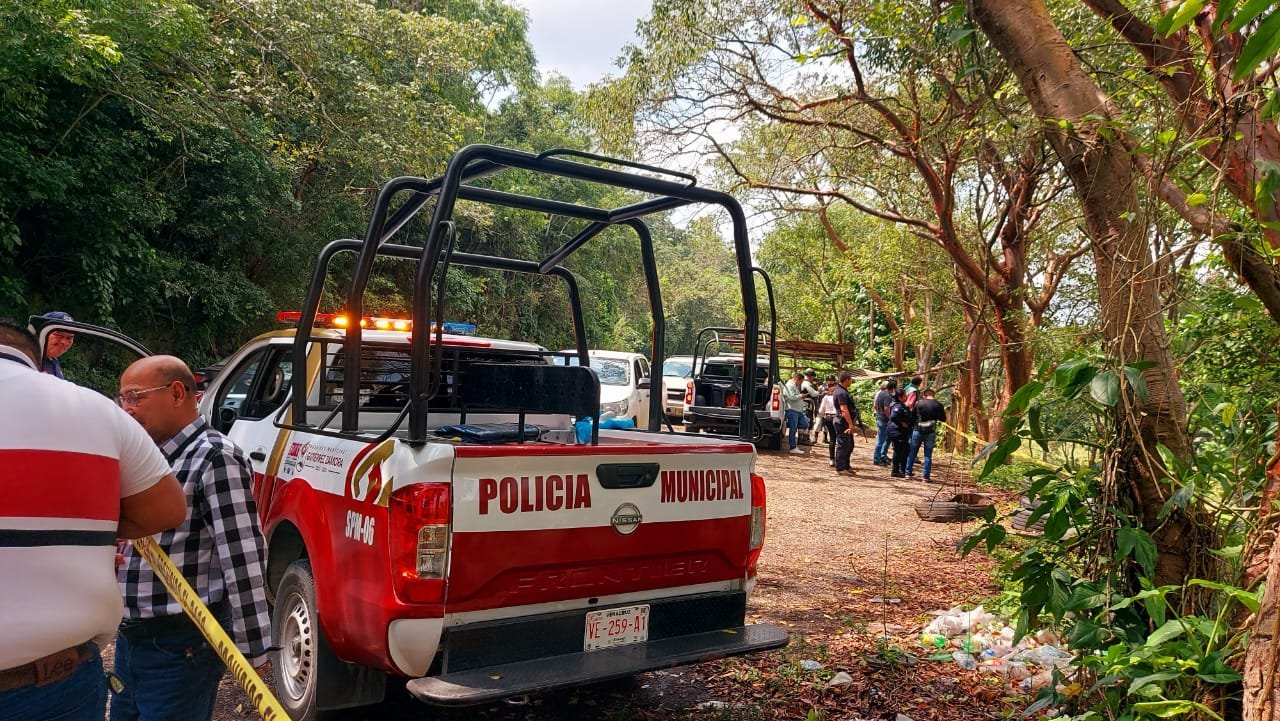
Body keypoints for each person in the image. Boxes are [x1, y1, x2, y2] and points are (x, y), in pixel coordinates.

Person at [0, 321, 186, 721]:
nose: (128, 406)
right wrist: (83, 538)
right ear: (35, 356)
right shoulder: (92, 407)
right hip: (51, 684)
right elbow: (167, 510)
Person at [112, 356, 272, 721]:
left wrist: (253, 650)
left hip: (180, 645)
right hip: (130, 639)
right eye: (122, 399)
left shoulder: (215, 457)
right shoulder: (146, 457)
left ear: (178, 392)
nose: (127, 409)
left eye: (135, 397)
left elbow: (242, 555)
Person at [906, 388, 946, 482]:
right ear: (933, 394)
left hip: (918, 430)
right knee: (928, 455)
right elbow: (943, 419)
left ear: (924, 395)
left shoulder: (918, 403)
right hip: (930, 431)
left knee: (912, 452)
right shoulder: (938, 404)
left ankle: (908, 473)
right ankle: (925, 477)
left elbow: (912, 416)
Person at [832, 371, 857, 475]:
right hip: (843, 422)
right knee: (843, 445)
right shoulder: (841, 392)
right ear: (847, 380)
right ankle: (841, 468)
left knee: (849, 444)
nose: (851, 381)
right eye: (850, 379)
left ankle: (846, 466)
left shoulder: (842, 391)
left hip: (844, 421)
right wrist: (850, 424)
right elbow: (844, 409)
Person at [38, 311, 75, 379]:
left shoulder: (53, 360)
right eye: (58, 335)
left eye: (69, 338)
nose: (64, 342)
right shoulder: (30, 361)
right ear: (41, 333)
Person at [887, 388, 915, 478]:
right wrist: (902, 424)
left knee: (905, 451)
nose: (906, 397)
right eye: (904, 396)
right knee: (898, 451)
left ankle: (903, 470)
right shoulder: (897, 406)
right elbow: (894, 417)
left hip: (902, 432)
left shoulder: (902, 405)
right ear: (900, 397)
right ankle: (895, 470)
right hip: (897, 432)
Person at [781, 371, 810, 455]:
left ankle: (789, 426)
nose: (801, 383)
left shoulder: (794, 385)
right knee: (793, 430)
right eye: (801, 381)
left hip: (798, 410)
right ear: (797, 379)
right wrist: (801, 396)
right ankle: (792, 447)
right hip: (792, 409)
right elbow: (791, 397)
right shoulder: (789, 385)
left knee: (805, 424)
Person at [872, 378, 897, 466]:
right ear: (893, 388)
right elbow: (886, 409)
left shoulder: (881, 393)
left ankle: (880, 457)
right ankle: (877, 459)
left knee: (882, 439)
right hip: (884, 420)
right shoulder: (887, 396)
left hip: (880, 418)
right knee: (881, 440)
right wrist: (891, 418)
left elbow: (876, 405)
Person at [817, 376, 838, 466]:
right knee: (839, 439)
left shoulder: (826, 397)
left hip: (828, 417)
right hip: (837, 418)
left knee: (832, 439)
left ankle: (832, 459)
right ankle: (839, 458)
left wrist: (824, 415)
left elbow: (821, 411)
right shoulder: (838, 397)